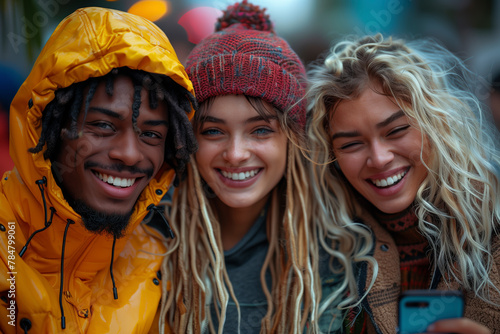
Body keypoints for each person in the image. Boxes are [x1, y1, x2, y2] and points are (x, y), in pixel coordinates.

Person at [156, 1, 374, 333]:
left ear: (293, 137)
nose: (236, 153)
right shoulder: (150, 238)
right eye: (213, 131)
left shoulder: (340, 251)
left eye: (260, 130)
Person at [0, 7, 197, 333]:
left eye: (151, 134)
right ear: (47, 128)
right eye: (103, 125)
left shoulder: (162, 269)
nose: (130, 155)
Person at [306, 34, 500, 333]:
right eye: (351, 144)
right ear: (331, 155)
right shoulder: (317, 250)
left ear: (436, 124)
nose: (379, 158)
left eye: (396, 130)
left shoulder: (493, 226)